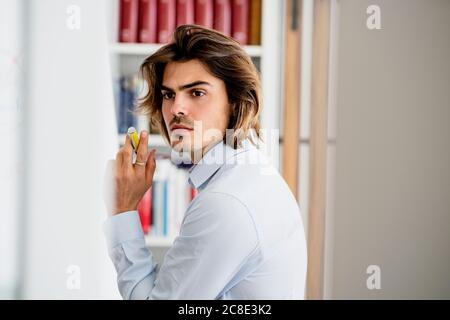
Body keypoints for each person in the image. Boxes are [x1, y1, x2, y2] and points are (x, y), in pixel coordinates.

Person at [103, 24, 307, 299]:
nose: (176, 109)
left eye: (196, 93)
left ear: (235, 101)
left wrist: (124, 209)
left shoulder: (225, 202)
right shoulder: (250, 171)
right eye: (168, 94)